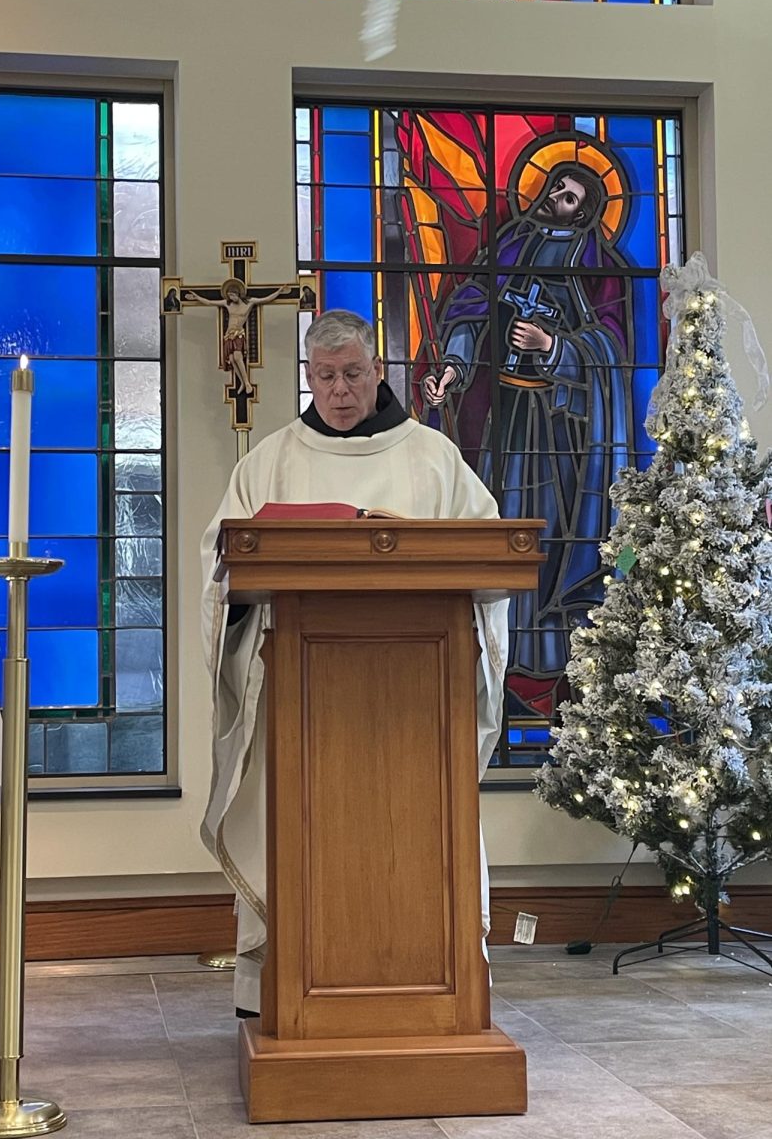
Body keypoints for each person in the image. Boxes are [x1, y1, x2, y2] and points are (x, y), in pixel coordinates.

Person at [201, 309, 510, 1015]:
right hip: (302, 704)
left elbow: (492, 554)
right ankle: (283, 989)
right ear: (308, 379)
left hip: (418, 705)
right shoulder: (270, 460)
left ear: (378, 373)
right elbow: (220, 566)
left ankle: (437, 985)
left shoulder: (433, 458)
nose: (340, 390)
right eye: (325, 377)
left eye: (353, 374)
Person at [421, 163, 631, 716]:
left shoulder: (601, 270)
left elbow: (612, 348)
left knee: (553, 538)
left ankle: (554, 667)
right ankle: (499, 658)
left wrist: (554, 345)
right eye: (553, 190)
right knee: (499, 522)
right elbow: (468, 312)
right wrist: (453, 369)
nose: (555, 199)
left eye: (569, 198)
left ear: (585, 212)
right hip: (506, 415)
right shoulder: (510, 248)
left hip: (563, 430)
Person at [185, 279, 287, 396]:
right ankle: (242, 383)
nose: (231, 298)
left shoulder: (249, 303)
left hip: (238, 333)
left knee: (238, 357)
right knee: (232, 359)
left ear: (237, 294)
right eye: (229, 296)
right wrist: (197, 297)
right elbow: (210, 302)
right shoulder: (227, 304)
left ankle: (247, 383)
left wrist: (279, 291)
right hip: (229, 335)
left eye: (232, 295)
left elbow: (266, 299)